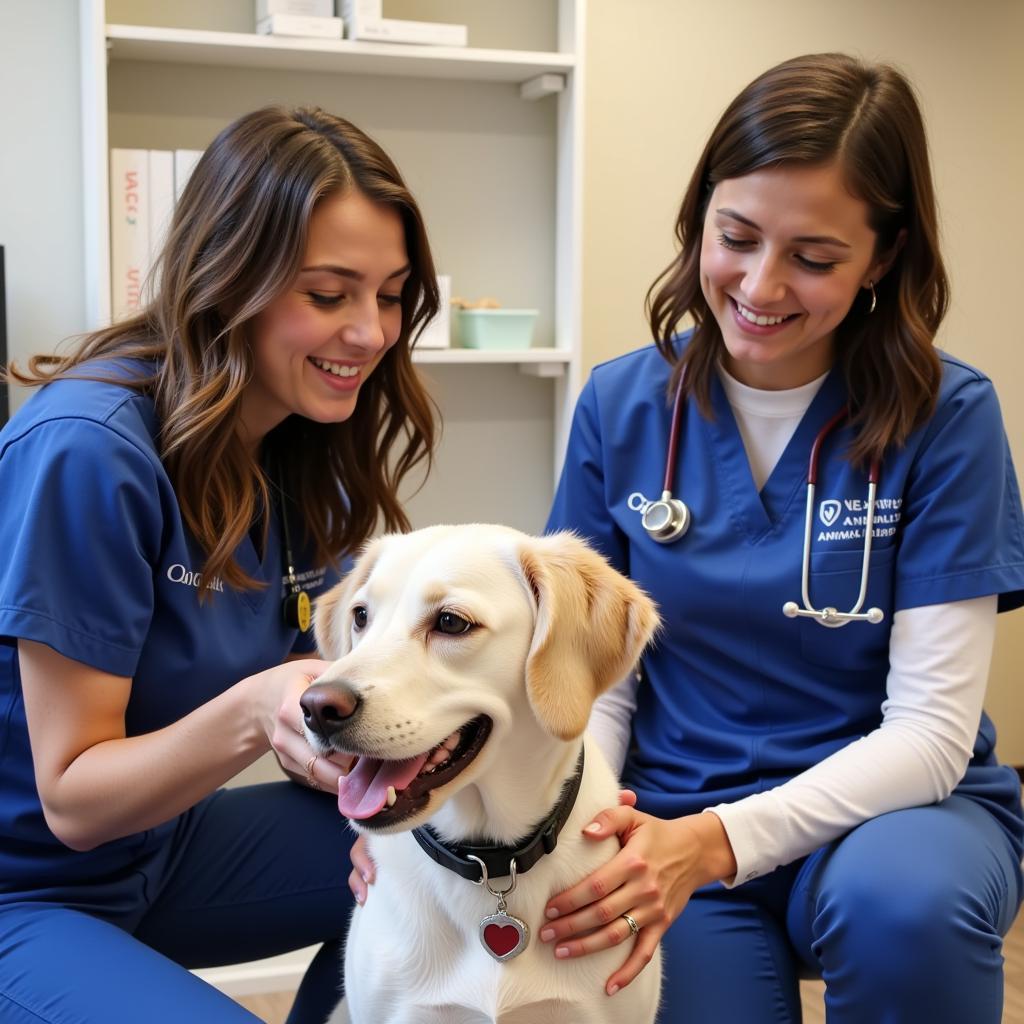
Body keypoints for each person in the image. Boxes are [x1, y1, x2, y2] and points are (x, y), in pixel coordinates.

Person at [535, 52, 1024, 1023]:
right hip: (668, 810)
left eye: (813, 256)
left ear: (881, 257)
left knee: (908, 911)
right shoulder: (622, 405)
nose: (760, 285)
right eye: (737, 236)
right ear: (699, 218)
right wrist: (576, 824)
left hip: (894, 817)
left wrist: (718, 839)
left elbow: (928, 734)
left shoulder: (947, 417)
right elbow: (595, 681)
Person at [0, 105, 440, 1024]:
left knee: (457, 859)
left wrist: (366, 776)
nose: (369, 332)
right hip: (26, 887)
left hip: (158, 854)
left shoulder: (299, 446)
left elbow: (313, 709)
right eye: (328, 294)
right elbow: (74, 801)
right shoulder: (90, 452)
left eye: (391, 295)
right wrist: (257, 709)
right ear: (229, 275)